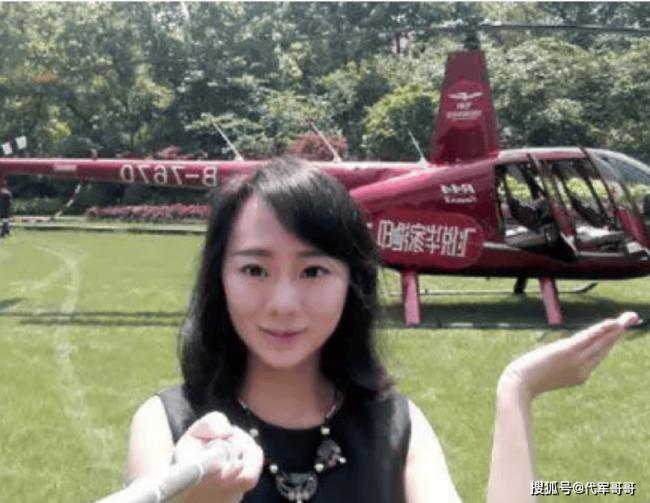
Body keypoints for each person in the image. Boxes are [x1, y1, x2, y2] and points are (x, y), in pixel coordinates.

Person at [126, 157, 638, 503]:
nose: (283, 303)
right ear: (219, 278)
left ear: (352, 282)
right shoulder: (170, 426)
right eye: (254, 269)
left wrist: (517, 391)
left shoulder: (397, 428)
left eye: (314, 271)